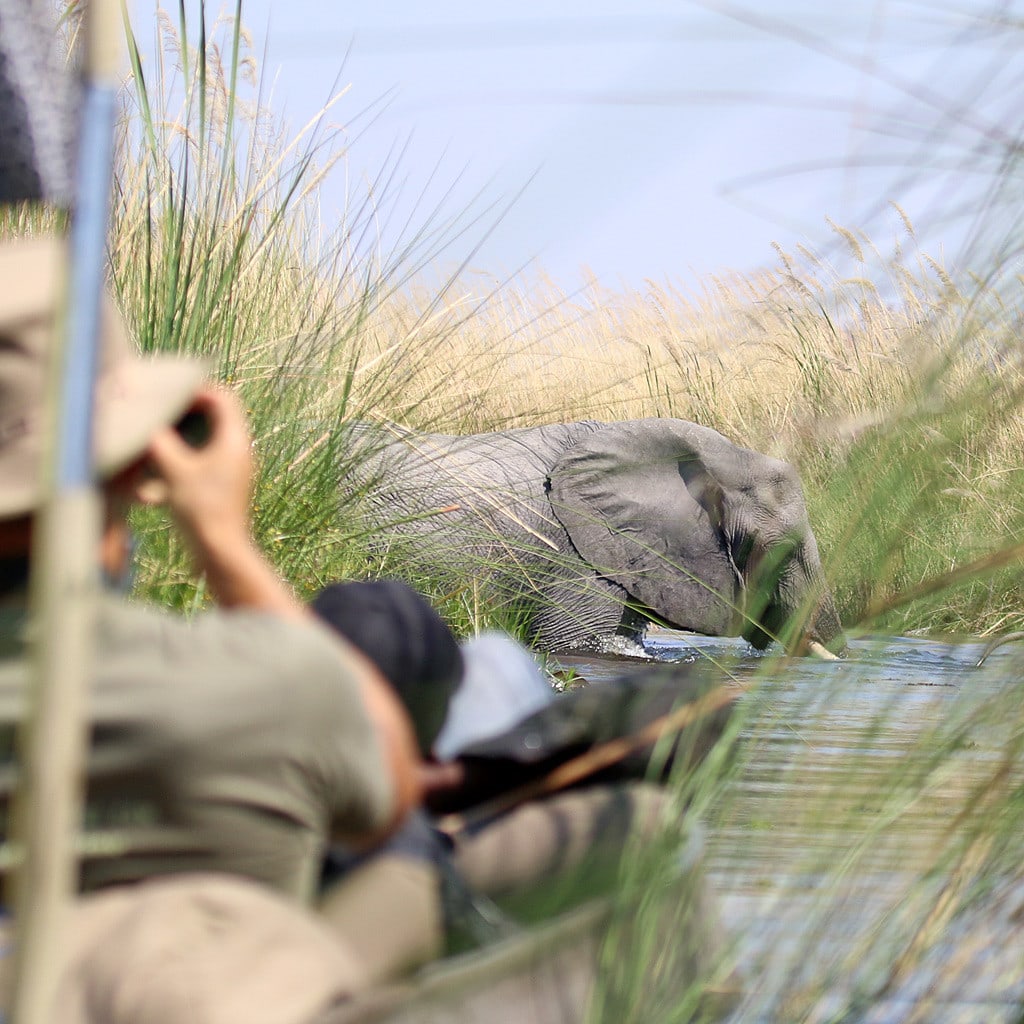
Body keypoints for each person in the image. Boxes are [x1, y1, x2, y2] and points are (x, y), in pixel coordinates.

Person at [0, 235, 424, 1020]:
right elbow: (389, 789)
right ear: (136, 463)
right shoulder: (269, 682)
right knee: (412, 868)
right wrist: (223, 538)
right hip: (202, 990)